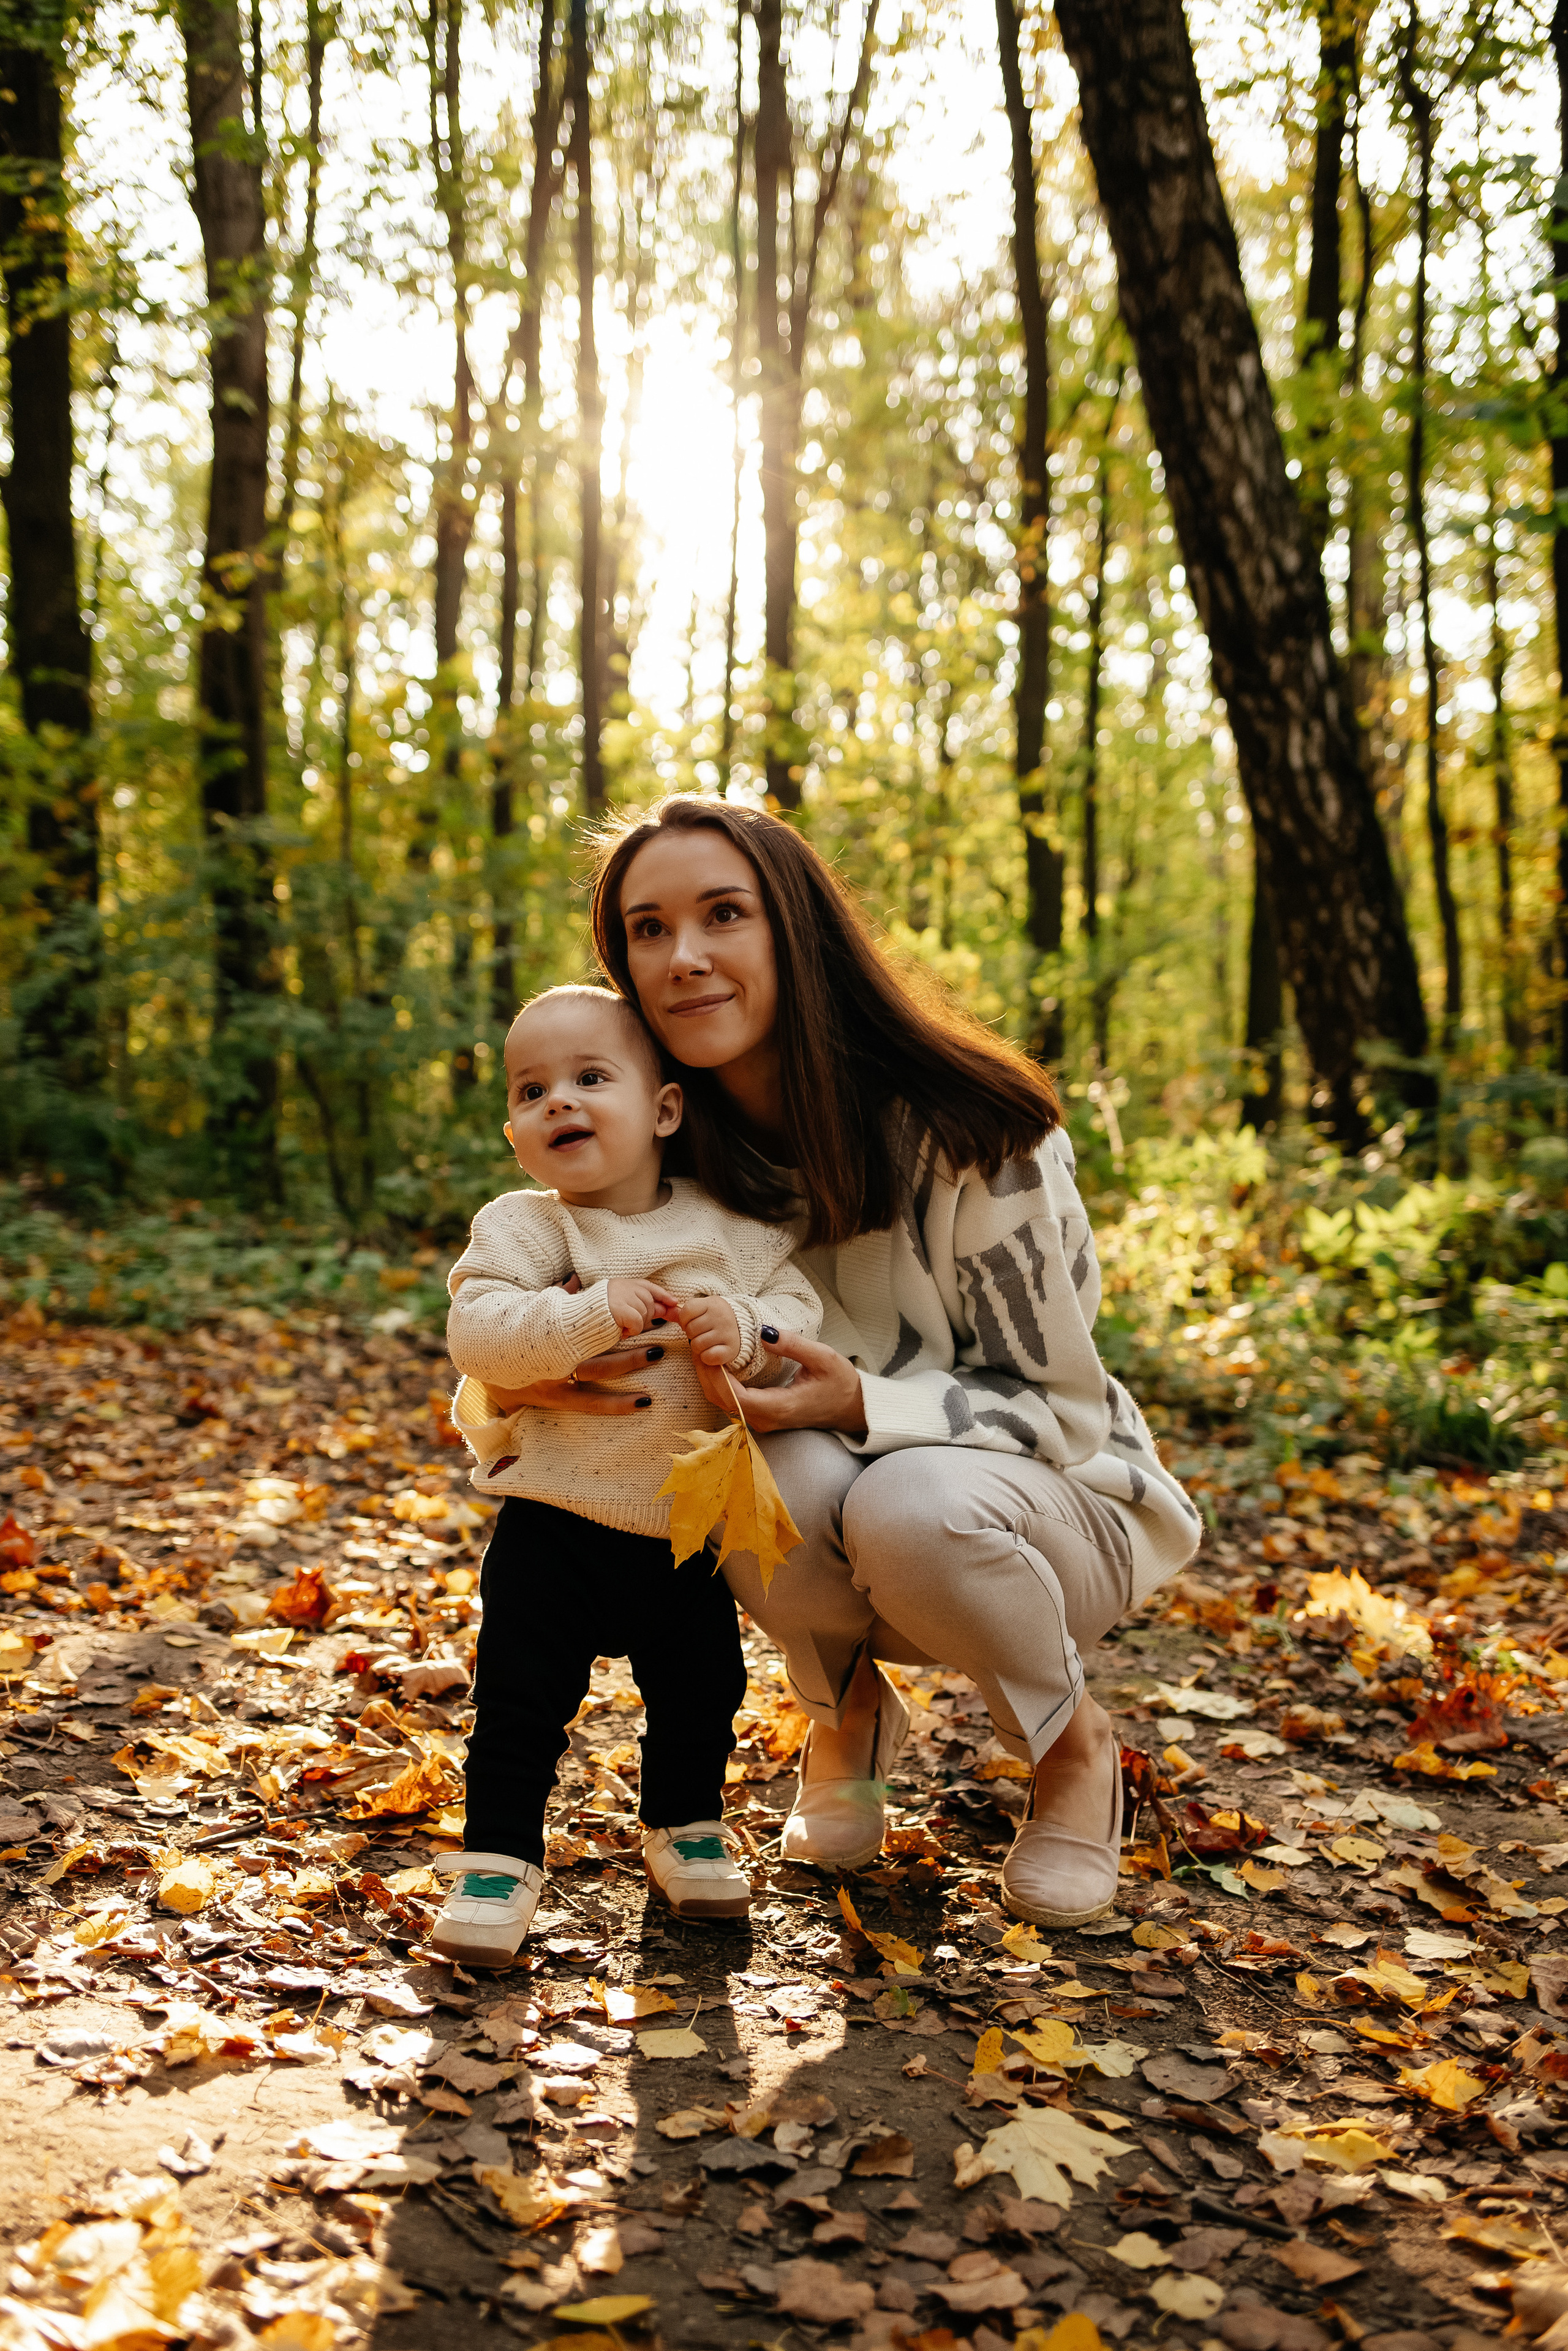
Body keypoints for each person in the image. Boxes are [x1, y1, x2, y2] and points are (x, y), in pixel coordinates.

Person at [494, 802, 1202, 1931]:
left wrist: (863, 1398)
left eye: (725, 913)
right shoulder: (673, 1146)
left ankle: (1074, 1747)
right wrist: (518, 1383)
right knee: (745, 1468)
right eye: (646, 928)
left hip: (1051, 1515)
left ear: (798, 929)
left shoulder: (979, 1134)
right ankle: (846, 1711)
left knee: (904, 1497)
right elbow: (523, 1303)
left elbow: (1064, 1410)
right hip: (844, 1524)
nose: (683, 956)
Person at [431, 982, 822, 1966]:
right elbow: (477, 1331)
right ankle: (499, 1857)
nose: (558, 1100)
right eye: (532, 1089)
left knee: (703, 1690)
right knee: (519, 1699)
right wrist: (587, 1313)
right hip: (550, 1519)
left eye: (590, 1077)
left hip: (680, 1521)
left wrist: (750, 1331)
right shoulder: (529, 1229)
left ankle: (684, 1826)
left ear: (664, 1108)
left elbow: (797, 1308)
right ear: (516, 1132)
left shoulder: (729, 1227)